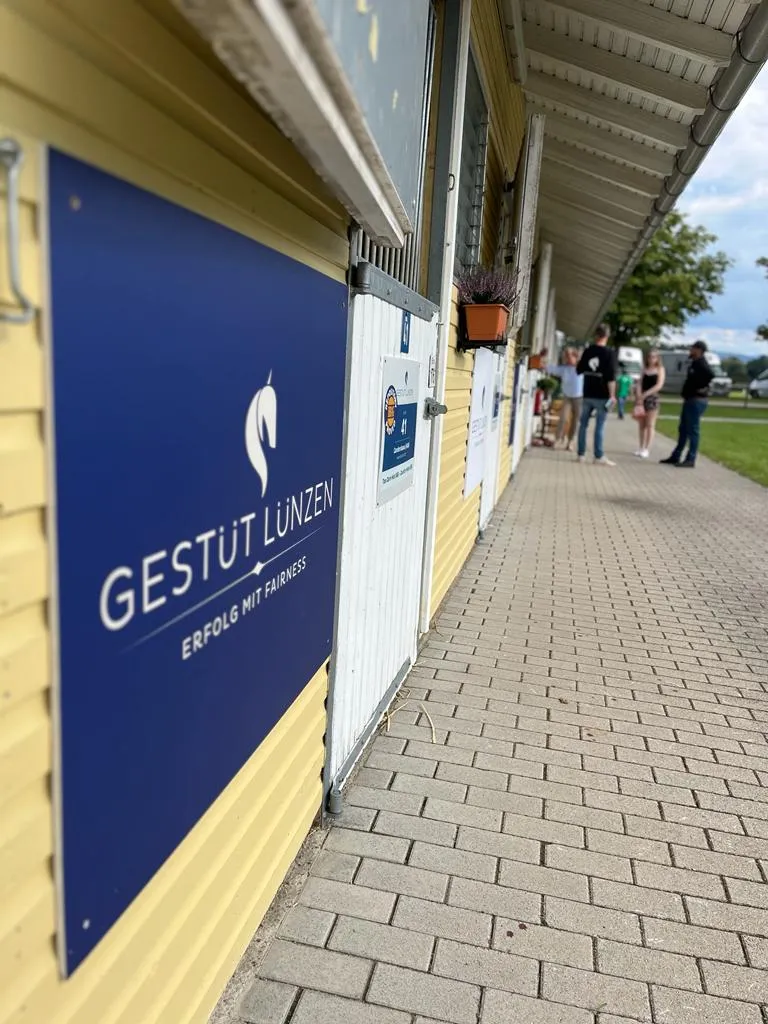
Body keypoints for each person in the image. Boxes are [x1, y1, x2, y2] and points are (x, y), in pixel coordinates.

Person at [660, 340, 714, 468]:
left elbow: (710, 374)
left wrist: (701, 387)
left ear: (699, 350)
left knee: (693, 430)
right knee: (683, 429)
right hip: (689, 399)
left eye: (693, 349)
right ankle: (676, 455)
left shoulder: (701, 364)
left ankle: (691, 458)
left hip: (696, 400)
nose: (690, 351)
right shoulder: (694, 363)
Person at [576, 323, 617, 465]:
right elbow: (611, 377)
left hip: (587, 392)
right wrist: (612, 395)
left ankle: (581, 454)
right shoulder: (609, 353)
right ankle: (598, 456)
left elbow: (578, 370)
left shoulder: (588, 351)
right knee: (600, 426)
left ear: (595, 335)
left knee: (583, 425)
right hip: (602, 394)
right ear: (607, 336)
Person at [545, 346, 583, 450]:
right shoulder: (564, 369)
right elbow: (551, 369)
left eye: (570, 356)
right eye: (567, 357)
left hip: (579, 397)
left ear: (575, 357)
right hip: (567, 397)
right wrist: (543, 358)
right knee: (563, 418)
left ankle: (571, 441)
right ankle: (558, 439)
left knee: (576, 421)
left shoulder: (581, 368)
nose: (568, 359)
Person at [633, 348, 665, 458]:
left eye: (654, 357)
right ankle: (641, 447)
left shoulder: (660, 369)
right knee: (641, 425)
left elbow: (659, 385)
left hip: (652, 398)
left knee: (650, 424)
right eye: (650, 357)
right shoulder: (644, 369)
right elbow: (639, 383)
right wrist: (638, 395)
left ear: (657, 358)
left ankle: (647, 448)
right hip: (642, 398)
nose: (651, 359)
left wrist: (646, 394)